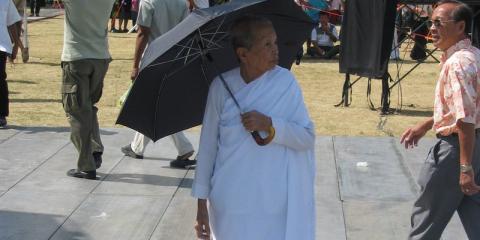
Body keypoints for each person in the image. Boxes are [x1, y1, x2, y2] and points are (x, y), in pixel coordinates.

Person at [192, 15, 316, 240]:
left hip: (272, 203)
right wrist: (201, 206)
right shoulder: (221, 88)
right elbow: (207, 148)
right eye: (266, 44)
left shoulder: (285, 83)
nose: (275, 50)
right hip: (229, 203)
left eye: (275, 42)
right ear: (243, 54)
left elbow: (307, 138)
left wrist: (270, 125)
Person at [400, 1, 480, 239]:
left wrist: (465, 167)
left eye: (439, 23)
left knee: (426, 221)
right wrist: (426, 124)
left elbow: (465, 118)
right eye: (431, 22)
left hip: (456, 152)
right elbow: (464, 108)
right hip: (475, 148)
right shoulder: (474, 54)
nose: (432, 28)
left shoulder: (457, 64)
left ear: (460, 26)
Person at [120, 0, 197, 169]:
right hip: (174, 58)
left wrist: (135, 66)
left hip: (153, 59)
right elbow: (185, 31)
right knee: (154, 103)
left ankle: (184, 148)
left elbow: (143, 33)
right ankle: (137, 147)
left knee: (156, 104)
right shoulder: (181, 3)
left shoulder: (148, 2)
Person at [62, 0, 116, 179]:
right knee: (89, 106)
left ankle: (86, 165)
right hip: (100, 57)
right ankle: (94, 149)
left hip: (77, 57)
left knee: (77, 112)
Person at [0, 0, 23, 128]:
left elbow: (13, 22)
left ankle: (1, 115)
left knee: (0, 78)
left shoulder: (5, 1)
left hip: (1, 46)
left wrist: (15, 47)